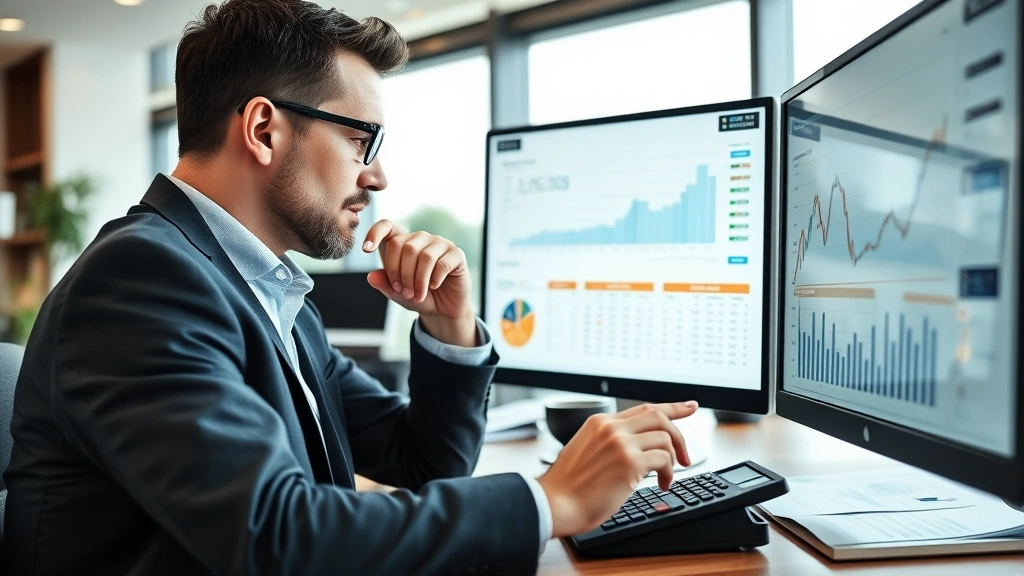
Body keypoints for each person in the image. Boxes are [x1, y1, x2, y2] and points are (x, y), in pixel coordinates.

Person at [1, 1, 699, 574]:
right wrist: (551, 501)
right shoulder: (142, 282)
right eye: (362, 141)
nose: (378, 177)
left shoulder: (264, 290)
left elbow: (424, 464)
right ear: (264, 129)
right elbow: (277, 536)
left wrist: (448, 325)